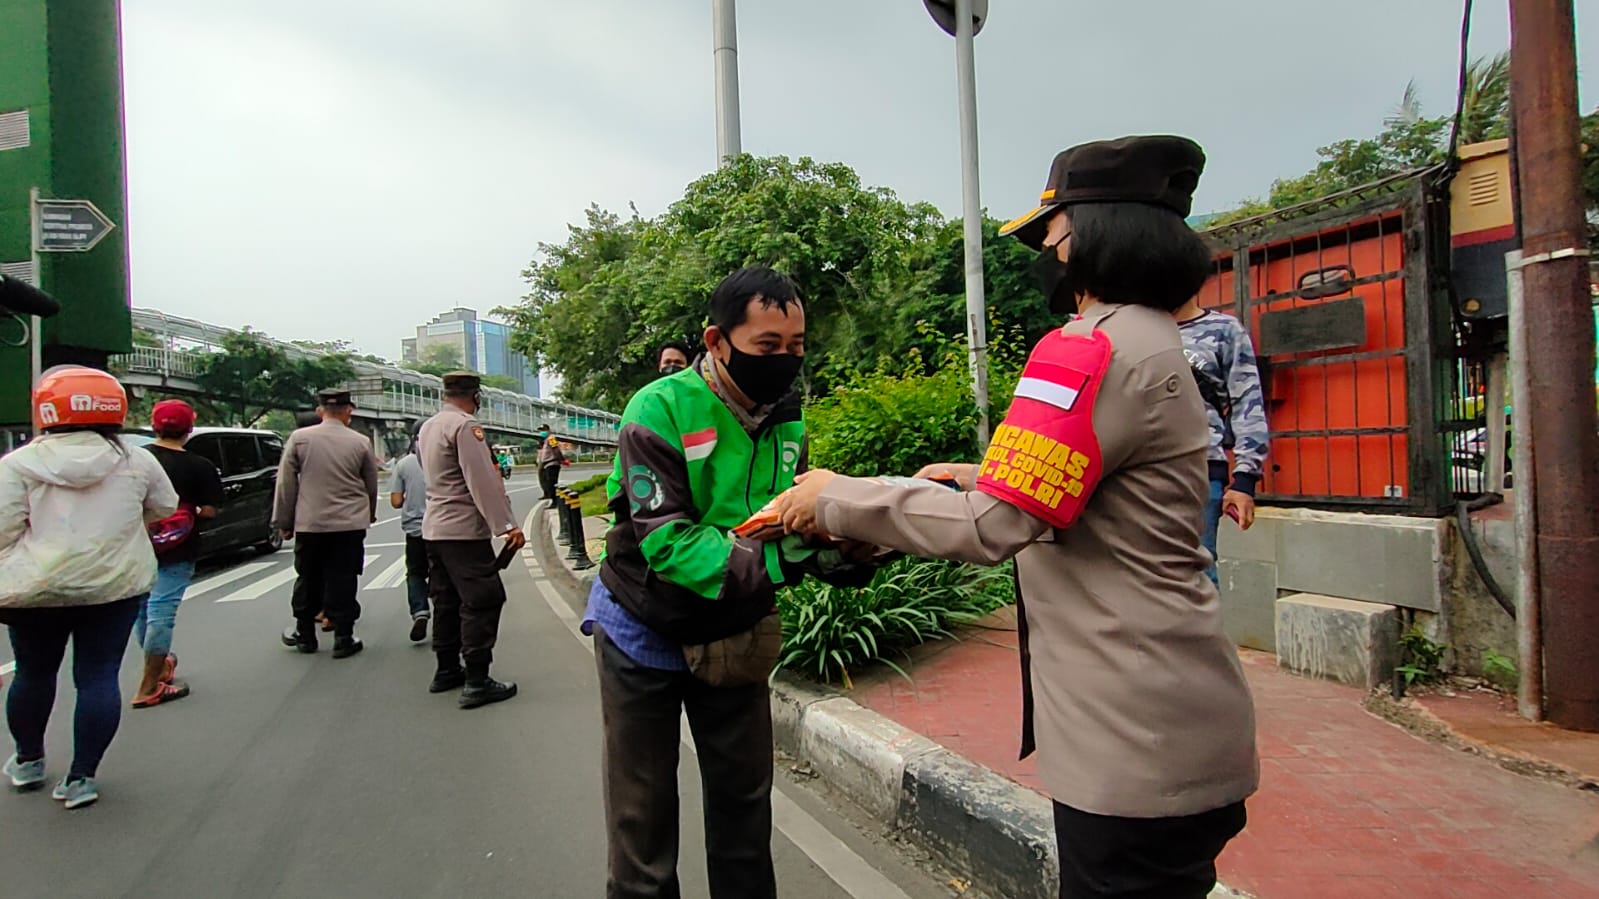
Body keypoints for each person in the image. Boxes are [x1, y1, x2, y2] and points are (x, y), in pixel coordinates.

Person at [776, 137, 1260, 899]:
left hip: (1128, 745)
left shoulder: (1087, 350)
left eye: (1053, 236)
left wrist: (835, 494)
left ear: (1096, 235)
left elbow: (990, 526)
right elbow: (1096, 483)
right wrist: (976, 472)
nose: (1046, 254)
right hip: (1177, 721)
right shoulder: (1154, 340)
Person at [588, 266, 863, 899]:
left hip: (735, 628)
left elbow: (776, 517)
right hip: (643, 628)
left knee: (744, 810)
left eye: (795, 348)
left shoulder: (784, 415)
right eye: (767, 347)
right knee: (644, 822)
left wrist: (843, 545)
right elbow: (668, 544)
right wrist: (788, 560)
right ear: (717, 341)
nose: (784, 362)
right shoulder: (656, 410)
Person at [1, 366, 178, 809]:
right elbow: (165, 507)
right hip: (113, 588)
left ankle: (29, 761)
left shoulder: (17, 464)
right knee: (98, 677)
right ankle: (81, 779)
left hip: (35, 591)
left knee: (33, 673)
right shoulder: (136, 459)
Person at [418, 372, 525, 708]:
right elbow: (482, 481)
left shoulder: (429, 426)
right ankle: (477, 680)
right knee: (483, 599)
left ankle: (446, 669)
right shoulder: (465, 427)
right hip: (463, 531)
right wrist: (507, 525)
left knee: (446, 600)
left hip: (435, 530)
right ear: (475, 396)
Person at [274, 389, 379, 658]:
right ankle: (344, 637)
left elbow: (286, 484)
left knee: (308, 577)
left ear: (321, 411)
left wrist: (284, 521)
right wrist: (369, 513)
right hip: (349, 524)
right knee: (344, 577)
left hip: (311, 523)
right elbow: (370, 484)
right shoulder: (361, 442)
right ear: (349, 411)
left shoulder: (299, 439)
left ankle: (305, 634)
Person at [133, 399, 224, 707]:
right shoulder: (200, 466)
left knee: (142, 610)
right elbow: (210, 510)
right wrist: (190, 509)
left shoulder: (135, 460)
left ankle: (159, 666)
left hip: (135, 546)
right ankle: (149, 685)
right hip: (178, 547)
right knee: (161, 612)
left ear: (153, 426)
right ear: (189, 429)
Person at [1173, 297, 1268, 583]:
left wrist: (1244, 479)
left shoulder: (1224, 330)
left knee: (1196, 574)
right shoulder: (1136, 332)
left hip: (1200, 470)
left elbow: (1247, 403)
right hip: (1138, 472)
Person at [387, 419, 431, 644]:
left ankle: (420, 611)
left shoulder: (404, 464)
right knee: (443, 573)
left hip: (415, 530)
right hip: (442, 529)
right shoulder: (446, 458)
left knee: (415, 573)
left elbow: (395, 501)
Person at [536, 424, 565, 503]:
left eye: (544, 430)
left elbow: (556, 450)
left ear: (548, 430)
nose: (542, 432)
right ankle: (552, 498)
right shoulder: (544, 440)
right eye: (541, 430)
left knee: (551, 483)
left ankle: (555, 501)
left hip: (552, 463)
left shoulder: (551, 438)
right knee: (548, 483)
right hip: (547, 464)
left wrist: (562, 459)